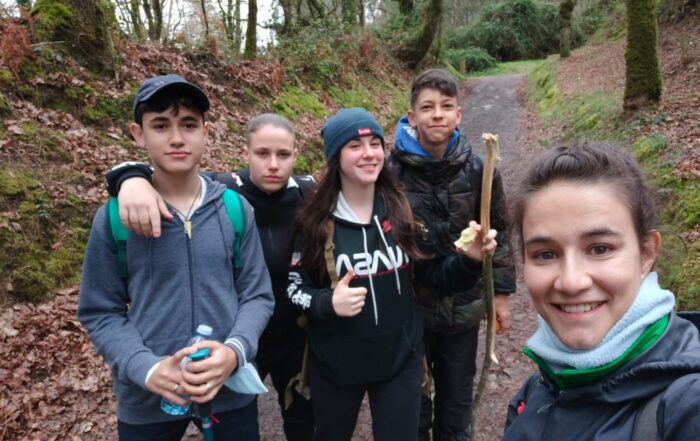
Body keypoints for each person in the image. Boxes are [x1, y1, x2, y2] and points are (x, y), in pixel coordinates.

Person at [78, 74, 274, 440]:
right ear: (138, 134)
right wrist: (146, 368)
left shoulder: (234, 209)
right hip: (146, 398)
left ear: (205, 133)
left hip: (228, 391)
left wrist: (234, 352)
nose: (177, 138)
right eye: (160, 125)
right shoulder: (115, 217)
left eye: (188, 124)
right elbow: (100, 310)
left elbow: (257, 295)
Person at [286, 107, 497, 441]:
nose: (369, 154)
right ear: (335, 156)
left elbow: (433, 274)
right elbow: (294, 287)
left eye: (375, 144)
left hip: (401, 360)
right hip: (337, 362)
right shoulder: (315, 220)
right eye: (355, 146)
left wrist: (469, 261)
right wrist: (328, 302)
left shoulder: (401, 209)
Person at [103, 113, 316, 440]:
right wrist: (129, 178)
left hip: (292, 336)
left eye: (283, 154)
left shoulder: (309, 194)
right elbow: (174, 174)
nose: (273, 164)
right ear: (246, 153)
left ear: (295, 155)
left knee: (303, 421)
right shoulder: (226, 191)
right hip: (237, 337)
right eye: (262, 153)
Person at [502, 143, 700, 440]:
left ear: (647, 253)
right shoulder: (536, 392)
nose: (571, 282)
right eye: (546, 254)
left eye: (600, 249)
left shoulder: (686, 406)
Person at [390, 68, 516, 441]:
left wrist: (501, 294)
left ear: (459, 114)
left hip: (464, 309)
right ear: (412, 117)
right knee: (412, 409)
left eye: (446, 106)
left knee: (456, 408)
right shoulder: (390, 172)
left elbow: (500, 229)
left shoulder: (479, 169)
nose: (437, 115)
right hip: (409, 311)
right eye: (427, 107)